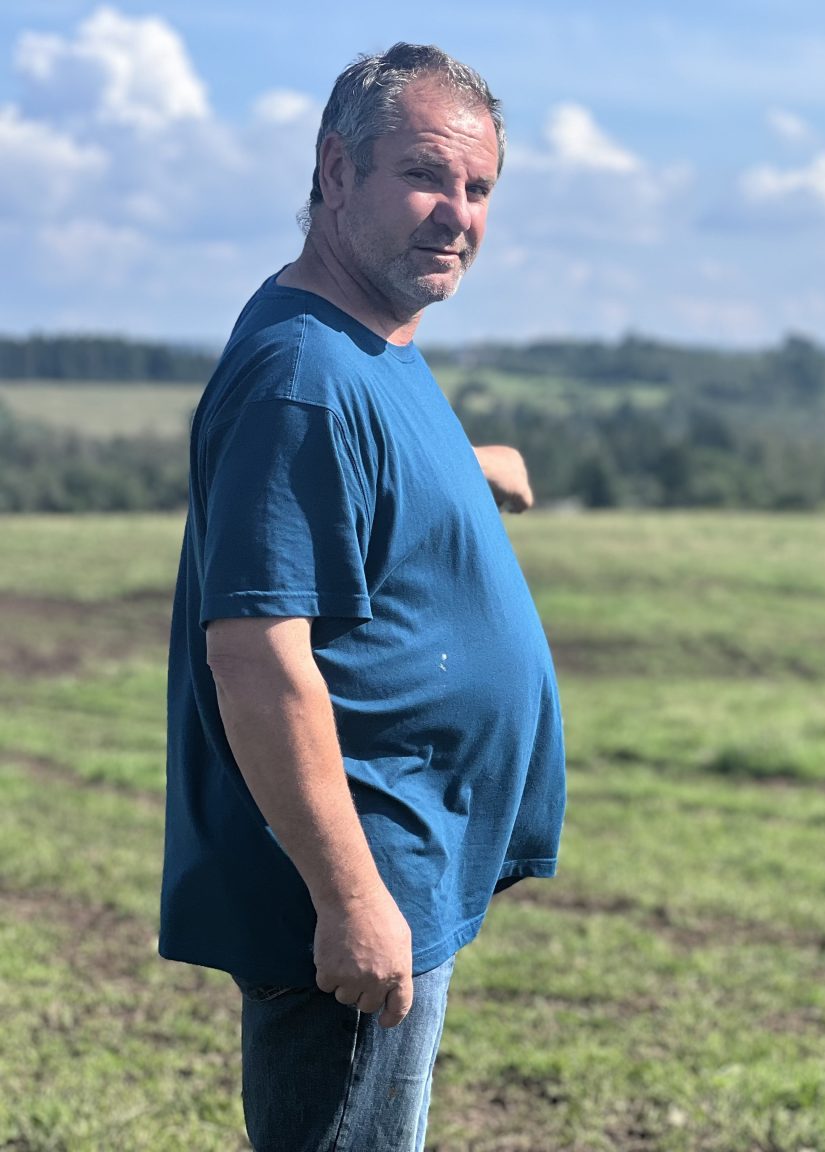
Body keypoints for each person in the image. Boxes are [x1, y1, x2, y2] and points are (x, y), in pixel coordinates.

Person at [158, 43, 565, 1151]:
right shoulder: (302, 379)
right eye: (427, 176)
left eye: (479, 188)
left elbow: (353, 476)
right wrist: (350, 899)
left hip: (404, 850)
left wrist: (466, 470)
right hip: (353, 874)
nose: (458, 215)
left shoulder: (360, 338)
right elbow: (257, 656)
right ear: (336, 172)